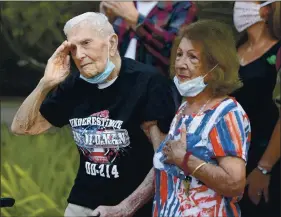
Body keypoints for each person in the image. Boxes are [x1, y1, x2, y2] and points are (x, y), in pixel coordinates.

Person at [10, 12, 178, 217]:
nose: (79, 55)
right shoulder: (75, 85)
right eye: (73, 48)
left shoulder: (148, 83)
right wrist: (45, 84)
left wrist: (126, 207)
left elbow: (164, 158)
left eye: (86, 43)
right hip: (82, 204)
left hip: (135, 208)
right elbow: (21, 128)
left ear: (112, 42)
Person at [142, 20, 251, 217]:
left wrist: (185, 160)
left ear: (216, 67)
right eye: (179, 55)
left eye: (193, 57)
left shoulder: (226, 113)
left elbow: (235, 184)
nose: (181, 64)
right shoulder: (185, 108)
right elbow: (168, 161)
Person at [231, 1, 281, 216]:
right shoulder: (233, 47)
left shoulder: (277, 52)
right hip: (230, 158)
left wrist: (264, 168)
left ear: (267, 8)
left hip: (264, 157)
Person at [99, 1, 198, 77]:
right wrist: (105, 20)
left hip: (156, 91)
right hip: (117, 87)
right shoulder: (119, 4)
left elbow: (176, 51)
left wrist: (136, 19)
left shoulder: (183, 5)